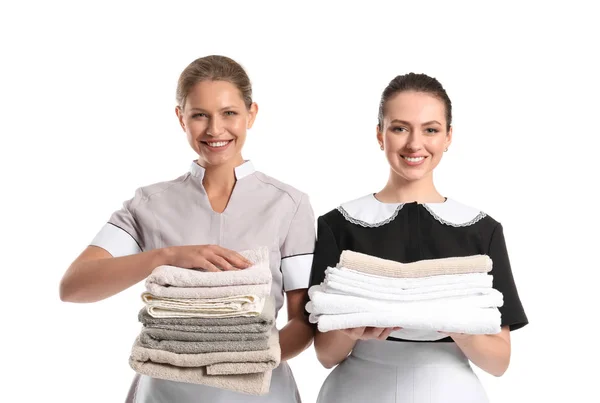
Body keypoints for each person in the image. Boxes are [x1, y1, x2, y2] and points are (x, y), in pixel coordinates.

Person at [59, 55, 316, 403]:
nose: (215, 129)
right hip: (165, 392)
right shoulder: (150, 204)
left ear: (251, 114)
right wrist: (166, 257)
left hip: (261, 392)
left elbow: (303, 322)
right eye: (199, 115)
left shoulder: (289, 205)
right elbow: (74, 286)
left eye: (229, 113)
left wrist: (239, 362)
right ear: (181, 117)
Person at [307, 73, 528, 403]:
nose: (414, 143)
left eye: (431, 129)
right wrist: (354, 330)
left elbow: (499, 362)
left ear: (448, 137)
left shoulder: (481, 229)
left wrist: (451, 323)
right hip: (358, 390)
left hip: (451, 390)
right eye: (399, 128)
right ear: (380, 135)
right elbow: (325, 355)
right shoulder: (339, 224)